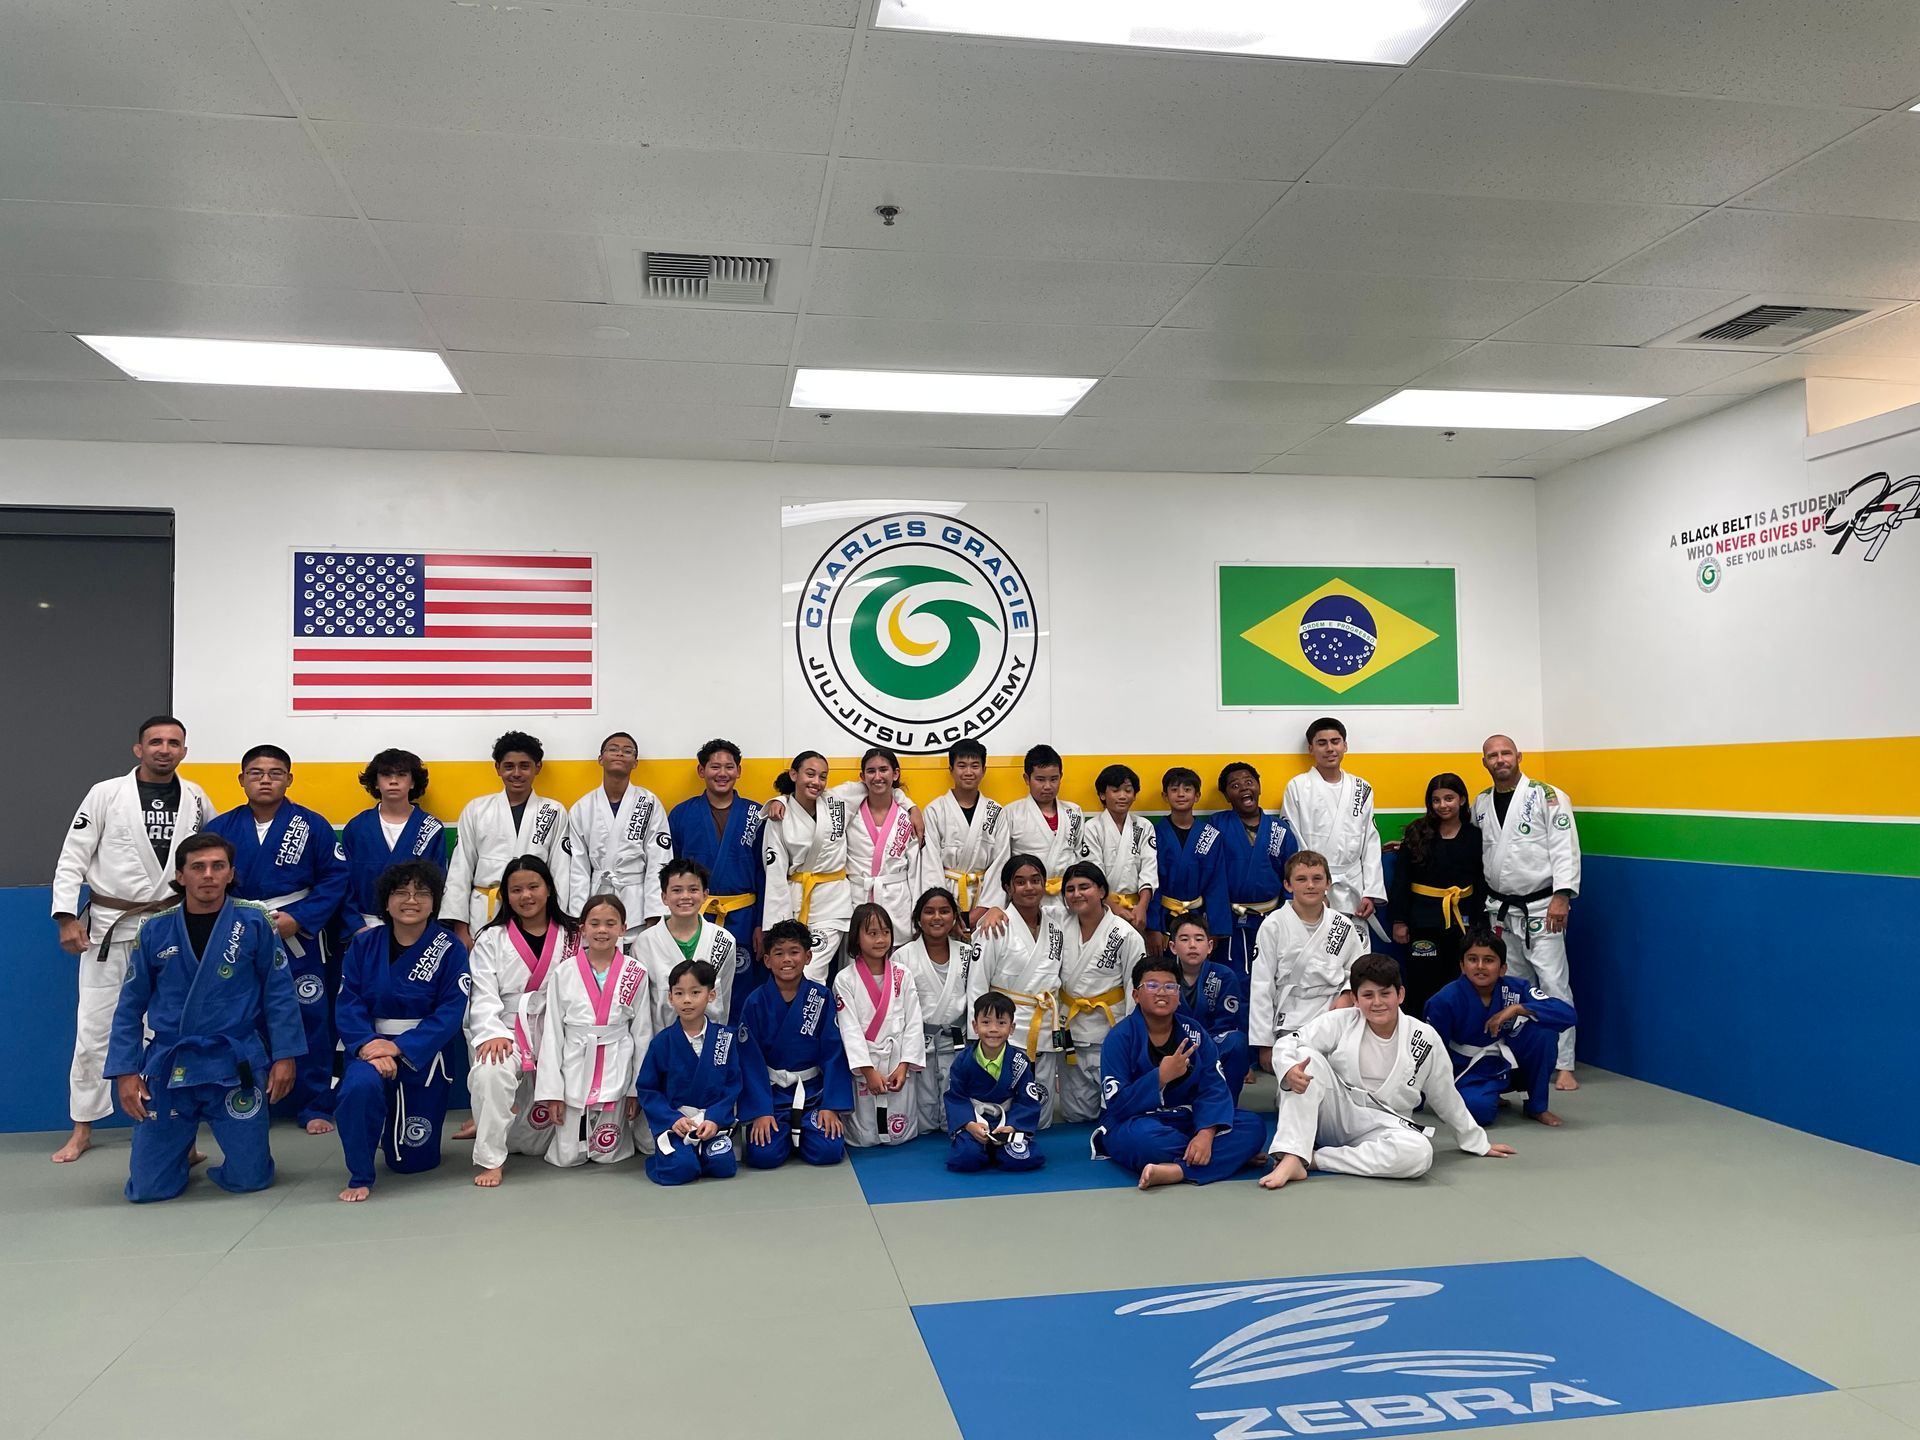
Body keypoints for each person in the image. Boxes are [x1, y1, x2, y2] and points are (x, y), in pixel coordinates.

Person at [49, 714, 215, 1164]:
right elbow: (72, 857)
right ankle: (82, 1127)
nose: (165, 749)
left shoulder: (197, 798)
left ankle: (182, 1133)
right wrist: (66, 917)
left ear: (184, 750)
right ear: (138, 749)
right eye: (155, 742)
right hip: (111, 928)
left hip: (172, 928)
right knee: (94, 1030)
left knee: (171, 1033)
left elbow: (208, 860)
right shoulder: (106, 794)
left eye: (173, 742)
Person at [105, 833, 304, 1203]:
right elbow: (130, 1006)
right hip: (171, 1063)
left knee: (251, 1179)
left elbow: (279, 995)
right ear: (181, 876)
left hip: (235, 1061)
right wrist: (125, 1072)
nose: (208, 875)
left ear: (231, 874)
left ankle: (223, 1155)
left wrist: (285, 1056)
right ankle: (178, 1152)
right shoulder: (155, 929)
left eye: (218, 866)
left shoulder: (254, 921)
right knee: (147, 1190)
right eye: (197, 867)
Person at [1259, 954, 1514, 1190]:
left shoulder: (1423, 1038)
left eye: (1385, 993)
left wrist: (1476, 1140)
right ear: (1356, 1000)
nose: (1378, 1002)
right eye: (1368, 995)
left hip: (1385, 1124)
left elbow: (1444, 1094)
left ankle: (1314, 1159)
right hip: (1335, 1115)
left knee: (1419, 1154)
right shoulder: (1340, 1021)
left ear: (1400, 994)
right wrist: (1289, 1070)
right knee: (1305, 1060)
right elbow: (1288, 1042)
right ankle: (1292, 1154)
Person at [205, 744, 348, 1132]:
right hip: (240, 932)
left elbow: (336, 878)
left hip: (297, 931)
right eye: (256, 773)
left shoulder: (312, 824)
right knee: (244, 1016)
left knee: (310, 1014)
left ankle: (316, 1103)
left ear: (289, 778)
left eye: (274, 773)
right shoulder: (220, 828)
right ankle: (249, 1099)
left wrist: (299, 918)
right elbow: (208, 880)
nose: (265, 780)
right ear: (241, 780)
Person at [333, 860, 470, 1202]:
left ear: (435, 902)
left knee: (413, 1162)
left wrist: (400, 1048)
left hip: (423, 1052)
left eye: (422, 893)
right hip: (371, 1044)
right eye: (401, 893)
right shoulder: (364, 944)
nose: (411, 900)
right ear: (386, 900)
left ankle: (393, 1135)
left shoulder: (449, 947)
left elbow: (452, 1010)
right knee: (359, 1086)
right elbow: (348, 1001)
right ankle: (361, 1172)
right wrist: (367, 1045)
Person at [1094, 954, 1267, 1189]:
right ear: (1136, 995)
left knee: (1253, 1126)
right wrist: (1160, 1078)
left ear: (1178, 995)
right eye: (1152, 986)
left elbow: (1213, 1087)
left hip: (1188, 1118)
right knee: (1144, 1143)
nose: (1162, 992)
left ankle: (1176, 1170)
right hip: (1140, 1122)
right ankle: (1225, 1156)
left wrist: (1205, 1134)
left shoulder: (1194, 1032)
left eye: (1170, 986)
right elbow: (1117, 1105)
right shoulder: (1120, 1038)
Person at [1472, 735, 1583, 1090]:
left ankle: (1565, 1064)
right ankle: (1526, 1058)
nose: (1500, 759)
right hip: (1500, 909)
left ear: (1519, 756)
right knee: (1514, 987)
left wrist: (1562, 896)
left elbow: (1565, 848)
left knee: (1552, 983)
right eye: (1493, 755)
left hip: (1542, 906)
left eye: (1506, 753)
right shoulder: (1482, 802)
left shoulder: (1547, 796)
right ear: (1484, 761)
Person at [464, 855, 570, 1187]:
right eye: (516, 889)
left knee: (541, 1142)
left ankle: (575, 1138)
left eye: (533, 887)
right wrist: (493, 1032)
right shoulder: (490, 938)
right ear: (506, 896)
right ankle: (491, 1158)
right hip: (508, 1026)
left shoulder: (573, 934)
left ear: (549, 889)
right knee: (490, 1069)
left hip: (562, 1029)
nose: (526, 896)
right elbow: (482, 992)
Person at [536, 894, 656, 1167]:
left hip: (616, 1060)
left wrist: (636, 1089)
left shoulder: (635, 971)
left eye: (611, 923)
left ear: (624, 929)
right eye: (595, 923)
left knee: (608, 1152)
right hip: (575, 1061)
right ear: (583, 929)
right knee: (567, 1156)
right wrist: (552, 1091)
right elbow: (553, 1032)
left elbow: (642, 1033)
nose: (602, 930)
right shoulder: (564, 972)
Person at [1425, 925, 1576, 1129]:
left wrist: (1518, 1008)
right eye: (1472, 959)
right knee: (1480, 1113)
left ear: (1503, 968)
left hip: (1510, 1065)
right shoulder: (1444, 1000)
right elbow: (1430, 1051)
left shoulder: (1516, 988)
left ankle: (1536, 1106)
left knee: (1544, 1032)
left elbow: (1567, 1015)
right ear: (1462, 965)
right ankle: (1486, 1094)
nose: (1480, 966)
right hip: (1469, 1072)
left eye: (1489, 960)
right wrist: (1428, 1095)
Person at [442, 730, 573, 947]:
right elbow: (460, 868)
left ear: (537, 767)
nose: (517, 773)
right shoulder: (476, 809)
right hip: (485, 909)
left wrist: (558, 920)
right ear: (498, 768)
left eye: (524, 766)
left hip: (536, 912)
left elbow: (560, 871)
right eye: (509, 766)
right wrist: (460, 927)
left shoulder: (553, 811)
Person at [739, 919, 850, 1170]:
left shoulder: (820, 997)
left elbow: (833, 1053)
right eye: (778, 953)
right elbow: (750, 1060)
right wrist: (761, 1110)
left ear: (808, 956)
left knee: (829, 1150)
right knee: (762, 1156)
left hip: (812, 1093)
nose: (787, 959)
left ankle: (800, 1133)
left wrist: (831, 1106)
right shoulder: (755, 1002)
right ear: (767, 960)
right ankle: (784, 1131)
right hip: (772, 1095)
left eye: (794, 952)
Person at [966, 853, 1066, 1128]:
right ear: (1008, 888)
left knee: (1042, 1114)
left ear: (1045, 884)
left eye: (1035, 880)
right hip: (1004, 1026)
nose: (1029, 887)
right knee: (1004, 1109)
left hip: (1044, 1021)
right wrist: (979, 1035)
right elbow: (977, 983)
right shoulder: (995, 926)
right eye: (1020, 882)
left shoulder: (1055, 926)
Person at [667, 739, 765, 1017]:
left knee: (744, 986)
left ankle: (738, 1047)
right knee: (697, 983)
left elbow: (763, 873)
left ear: (739, 771)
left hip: (744, 916)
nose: (722, 773)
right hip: (697, 915)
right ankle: (700, 1045)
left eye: (729, 767)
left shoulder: (755, 814)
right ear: (701, 771)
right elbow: (670, 872)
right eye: (715, 767)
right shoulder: (682, 814)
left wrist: (761, 924)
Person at [1250, 851, 1366, 1075]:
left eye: (1317, 879)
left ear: (1328, 884)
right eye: (1301, 879)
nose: (1310, 885)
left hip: (1333, 1011)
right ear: (1288, 885)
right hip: (1291, 1017)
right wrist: (1264, 1044)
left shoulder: (1342, 925)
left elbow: (1359, 972)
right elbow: (1261, 986)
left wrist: (1346, 995)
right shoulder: (1273, 925)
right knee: (1302, 1078)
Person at [634, 959, 746, 1186]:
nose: (687, 1000)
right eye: (679, 993)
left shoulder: (724, 1038)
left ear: (711, 995)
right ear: (670, 997)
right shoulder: (662, 1043)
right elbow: (648, 1089)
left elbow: (732, 1085)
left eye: (695, 992)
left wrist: (714, 1119)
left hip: (711, 1123)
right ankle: (677, 1158)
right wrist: (672, 1119)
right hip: (678, 1124)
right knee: (680, 1170)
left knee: (723, 1166)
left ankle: (701, 1154)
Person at [1281, 718, 1385, 945]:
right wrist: (1313, 886)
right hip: (1313, 887)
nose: (1330, 748)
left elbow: (1370, 842)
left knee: (1354, 960)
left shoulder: (1361, 788)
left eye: (1335, 742)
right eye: (1322, 743)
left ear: (1345, 746)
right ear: (1311, 749)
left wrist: (1371, 892)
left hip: (1353, 888)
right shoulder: (1297, 786)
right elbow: (1294, 841)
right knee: (1314, 958)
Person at [1389, 772, 1481, 1019]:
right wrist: (1400, 920)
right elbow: (1401, 880)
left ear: (1461, 799)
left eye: (1449, 798)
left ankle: (1456, 1034)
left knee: (1458, 977)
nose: (1443, 805)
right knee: (1421, 978)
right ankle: (1420, 1031)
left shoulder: (1475, 836)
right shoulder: (1417, 833)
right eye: (1436, 800)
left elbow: (1481, 881)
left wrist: (1481, 923)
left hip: (1462, 920)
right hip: (1423, 920)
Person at [834, 903, 926, 1146]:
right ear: (856, 937)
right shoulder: (845, 979)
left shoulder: (902, 974)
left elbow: (914, 1022)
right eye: (872, 933)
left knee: (899, 1132)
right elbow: (849, 1029)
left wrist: (904, 1065)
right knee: (865, 1134)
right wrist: (868, 1070)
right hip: (866, 1064)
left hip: (897, 1062)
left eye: (885, 932)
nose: (880, 939)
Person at [1057, 860, 1141, 1123]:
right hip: (1070, 1033)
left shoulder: (1124, 934)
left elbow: (1134, 988)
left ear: (1102, 891)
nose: (1076, 894)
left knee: (1115, 1112)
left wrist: (1130, 1036)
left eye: (1084, 887)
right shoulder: (1058, 924)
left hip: (1109, 1032)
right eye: (1069, 889)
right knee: (1076, 1116)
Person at [566, 731, 671, 941]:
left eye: (627, 751)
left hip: (637, 905)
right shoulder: (582, 807)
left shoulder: (648, 803)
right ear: (601, 759)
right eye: (613, 749)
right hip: (595, 902)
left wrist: (655, 913)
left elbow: (659, 862)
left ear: (635, 762)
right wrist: (577, 915)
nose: (620, 754)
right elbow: (577, 868)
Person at [761, 750, 851, 983]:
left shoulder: (837, 802)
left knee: (811, 971)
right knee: (790, 974)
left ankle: (815, 1017)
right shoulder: (779, 816)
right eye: (810, 774)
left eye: (823, 776)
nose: (817, 782)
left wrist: (910, 807)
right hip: (795, 902)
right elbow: (775, 874)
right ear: (794, 774)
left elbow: (879, 785)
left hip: (833, 903)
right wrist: (774, 927)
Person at [895, 887, 978, 1135]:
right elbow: (898, 1008)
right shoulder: (903, 956)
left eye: (944, 911)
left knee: (955, 1108)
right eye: (929, 912)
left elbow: (976, 999)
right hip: (920, 1044)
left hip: (958, 1043)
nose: (937, 917)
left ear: (954, 917)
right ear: (918, 919)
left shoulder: (967, 953)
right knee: (923, 1118)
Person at [1204, 762, 1299, 978]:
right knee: (1232, 978)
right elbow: (1211, 877)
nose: (1244, 788)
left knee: (1273, 975)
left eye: (1249, 782)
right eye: (1235, 786)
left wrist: (1288, 918)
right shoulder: (1216, 825)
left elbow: (1292, 877)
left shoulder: (1279, 829)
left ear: (1259, 786)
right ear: (1227, 796)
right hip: (1230, 923)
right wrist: (1216, 926)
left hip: (1272, 919)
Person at [340, 749, 447, 933]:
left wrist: (427, 927)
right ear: (376, 781)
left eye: (402, 775)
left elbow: (439, 884)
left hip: (417, 926)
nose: (393, 781)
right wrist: (356, 926)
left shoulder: (430, 828)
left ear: (413, 782)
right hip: (365, 926)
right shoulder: (357, 827)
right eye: (386, 775)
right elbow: (342, 882)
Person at [631, 858, 740, 1028]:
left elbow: (724, 998)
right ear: (664, 897)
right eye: (677, 890)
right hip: (663, 1043)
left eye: (693, 889)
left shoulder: (724, 940)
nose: (685, 896)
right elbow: (641, 1008)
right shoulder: (643, 944)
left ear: (705, 895)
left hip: (708, 1041)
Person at [943, 993, 1046, 1174]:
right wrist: (969, 1124)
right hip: (975, 1119)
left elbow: (1026, 1100)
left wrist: (1012, 1126)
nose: (993, 1029)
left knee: (1023, 1159)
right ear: (975, 1026)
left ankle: (996, 1149)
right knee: (965, 1159)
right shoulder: (963, 1061)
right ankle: (981, 1147)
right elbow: (956, 1097)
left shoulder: (1019, 1061)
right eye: (986, 1022)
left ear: (1012, 1028)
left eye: (1001, 1023)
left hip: (1006, 1121)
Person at [920, 740, 1011, 931]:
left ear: (984, 770)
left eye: (975, 766)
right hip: (946, 895)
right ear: (951, 769)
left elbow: (1001, 862)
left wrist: (983, 909)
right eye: (962, 766)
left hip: (984, 899)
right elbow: (930, 864)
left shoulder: (995, 811)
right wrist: (944, 912)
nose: (968, 772)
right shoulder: (935, 810)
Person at [837, 746, 925, 941]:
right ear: (862, 776)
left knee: (897, 958)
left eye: (883, 770)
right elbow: (814, 799)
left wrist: (918, 915)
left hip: (896, 900)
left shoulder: (906, 818)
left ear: (895, 774)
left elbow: (915, 871)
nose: (877, 776)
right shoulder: (850, 812)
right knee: (857, 959)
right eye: (871, 771)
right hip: (857, 897)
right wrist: (782, 800)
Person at [1003, 744, 1086, 926]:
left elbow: (1081, 857)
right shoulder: (1011, 813)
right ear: (1027, 778)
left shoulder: (1074, 812)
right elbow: (1003, 862)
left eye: (1054, 779)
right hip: (1027, 897)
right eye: (1040, 779)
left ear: (1061, 777)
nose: (1047, 786)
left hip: (1068, 899)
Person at [1146, 766, 1224, 956]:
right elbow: (1150, 881)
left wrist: (1215, 928)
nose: (1181, 794)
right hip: (1164, 916)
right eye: (1174, 790)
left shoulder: (1211, 835)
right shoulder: (1153, 833)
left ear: (1197, 796)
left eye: (1187, 789)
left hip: (1199, 918)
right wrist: (1152, 927)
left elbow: (1217, 884)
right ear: (1165, 796)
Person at [1168, 913, 1249, 1096]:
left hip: (1212, 1041)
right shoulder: (1164, 976)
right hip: (1172, 1045)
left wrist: (1202, 1046)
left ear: (1210, 946)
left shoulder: (1224, 976)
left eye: (1199, 939)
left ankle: (1226, 1105)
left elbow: (1228, 1022)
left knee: (1236, 1042)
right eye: (1184, 939)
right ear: (1173, 947)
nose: (1192, 945)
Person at [1082, 763, 1158, 935]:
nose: (1122, 796)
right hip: (1102, 906)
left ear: (1135, 795)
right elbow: (1093, 872)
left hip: (1136, 909)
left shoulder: (1144, 826)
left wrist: (1142, 907)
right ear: (1102, 795)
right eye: (1115, 790)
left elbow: (1149, 868)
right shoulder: (1092, 828)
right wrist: (1113, 906)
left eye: (1128, 790)